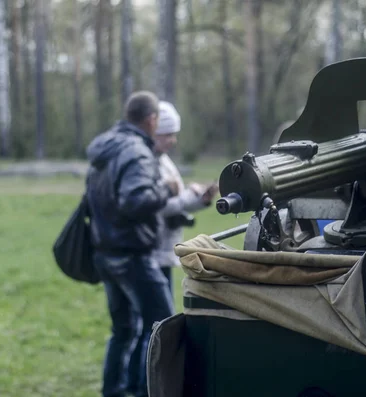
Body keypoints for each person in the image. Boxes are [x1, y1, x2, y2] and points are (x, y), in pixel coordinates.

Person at [85, 91, 175, 397]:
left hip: (105, 252)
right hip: (132, 256)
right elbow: (134, 200)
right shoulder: (137, 151)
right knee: (165, 328)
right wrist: (166, 190)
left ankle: (113, 391)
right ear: (151, 120)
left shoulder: (107, 146)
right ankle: (148, 391)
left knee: (123, 331)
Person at [153, 101, 219, 292]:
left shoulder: (163, 160)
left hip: (164, 247)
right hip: (154, 249)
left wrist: (201, 199)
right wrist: (191, 194)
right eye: (168, 134)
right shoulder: (148, 162)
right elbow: (160, 206)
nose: (173, 140)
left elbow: (178, 201)